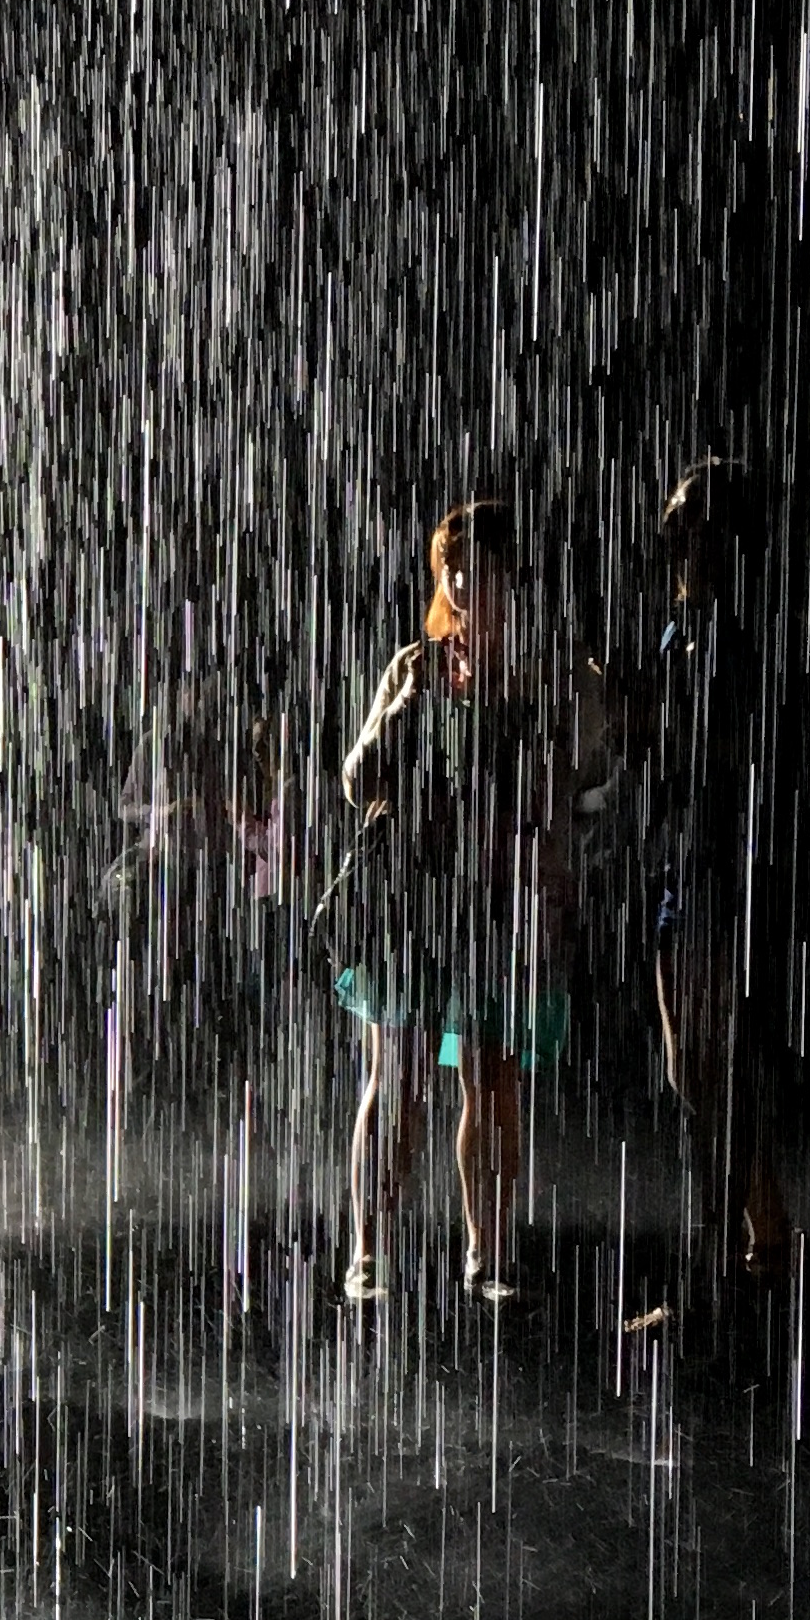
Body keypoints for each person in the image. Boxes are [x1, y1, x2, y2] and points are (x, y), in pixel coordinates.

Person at [328, 497, 578, 1306]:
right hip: (411, 901)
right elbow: (356, 781)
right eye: (455, 567)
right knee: (397, 1079)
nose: (471, 582)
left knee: (491, 1080)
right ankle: (370, 1254)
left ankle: (490, 1255)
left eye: (486, 567)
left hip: (494, 905)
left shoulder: (539, 679)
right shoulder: (414, 664)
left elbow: (565, 789)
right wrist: (407, 709)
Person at [637, 454, 795, 1309]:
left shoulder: (742, 634)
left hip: (723, 871)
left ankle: (709, 1277)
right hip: (683, 867)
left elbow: (733, 760)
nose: (680, 534)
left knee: (709, 1078)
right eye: (679, 520)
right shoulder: (683, 629)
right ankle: (762, 1237)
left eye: (696, 520)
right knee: (697, 1075)